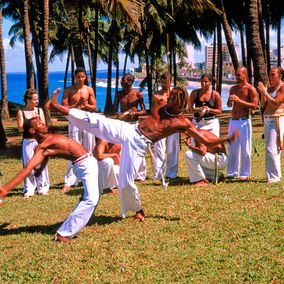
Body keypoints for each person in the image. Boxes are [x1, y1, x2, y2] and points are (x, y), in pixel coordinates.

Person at [49, 86, 238, 222]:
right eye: (169, 95)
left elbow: (206, 141)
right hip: (130, 130)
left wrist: (226, 140)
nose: (169, 98)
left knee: (126, 182)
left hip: (138, 144)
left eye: (173, 97)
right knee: (98, 121)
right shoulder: (161, 107)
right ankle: (58, 107)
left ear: (180, 101)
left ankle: (138, 210)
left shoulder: (182, 123)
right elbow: (155, 98)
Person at [0, 117, 99, 243]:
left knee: (94, 195)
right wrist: (6, 189)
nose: (44, 124)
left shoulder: (47, 140)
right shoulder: (42, 148)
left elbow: (46, 158)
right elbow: (27, 169)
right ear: (32, 130)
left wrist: (40, 170)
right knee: (91, 199)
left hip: (90, 160)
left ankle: (81, 214)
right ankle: (63, 234)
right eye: (39, 124)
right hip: (84, 165)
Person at [61, 67, 97, 193]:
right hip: (74, 121)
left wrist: (85, 104)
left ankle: (90, 177)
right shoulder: (69, 90)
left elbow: (94, 107)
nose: (81, 79)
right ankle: (69, 181)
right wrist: (76, 105)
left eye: (83, 77)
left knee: (89, 149)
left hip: (87, 121)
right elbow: (63, 107)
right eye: (78, 77)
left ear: (85, 77)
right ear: (75, 77)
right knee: (73, 150)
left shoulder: (89, 90)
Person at [226, 66, 258, 180]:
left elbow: (255, 105)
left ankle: (245, 173)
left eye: (239, 75)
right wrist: (230, 101)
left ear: (245, 75)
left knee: (245, 148)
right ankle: (232, 172)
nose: (237, 77)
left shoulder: (251, 89)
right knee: (232, 147)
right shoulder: (233, 89)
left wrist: (239, 101)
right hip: (233, 121)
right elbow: (229, 105)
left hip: (244, 121)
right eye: (236, 75)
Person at [17, 88, 49, 198]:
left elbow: (44, 127)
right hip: (27, 142)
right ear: (28, 99)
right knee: (28, 165)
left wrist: (38, 120)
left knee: (41, 165)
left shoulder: (39, 111)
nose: (37, 101)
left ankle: (43, 187)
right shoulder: (21, 112)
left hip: (38, 142)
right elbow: (20, 129)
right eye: (34, 99)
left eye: (37, 99)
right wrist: (31, 121)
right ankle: (29, 189)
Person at [114, 73, 147, 182]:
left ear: (129, 82)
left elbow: (144, 110)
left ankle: (141, 174)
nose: (121, 82)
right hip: (123, 123)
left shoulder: (138, 94)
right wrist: (120, 114)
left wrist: (135, 113)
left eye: (123, 80)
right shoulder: (119, 94)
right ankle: (125, 172)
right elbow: (115, 110)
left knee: (138, 147)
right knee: (123, 149)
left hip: (135, 123)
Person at [257, 66, 284, 183]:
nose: (270, 77)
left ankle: (274, 177)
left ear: (280, 76)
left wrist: (265, 92)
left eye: (273, 74)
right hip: (267, 119)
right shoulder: (271, 88)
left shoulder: (282, 88)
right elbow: (263, 105)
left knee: (273, 147)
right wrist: (263, 93)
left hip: (276, 118)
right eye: (270, 74)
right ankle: (272, 175)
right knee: (269, 147)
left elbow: (275, 103)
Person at [151, 73, 179, 180]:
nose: (164, 84)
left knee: (173, 148)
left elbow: (180, 108)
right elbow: (154, 111)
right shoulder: (156, 95)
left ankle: (172, 173)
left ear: (170, 82)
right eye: (162, 82)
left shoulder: (175, 94)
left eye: (166, 82)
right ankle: (159, 174)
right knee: (159, 149)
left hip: (173, 123)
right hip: (161, 124)